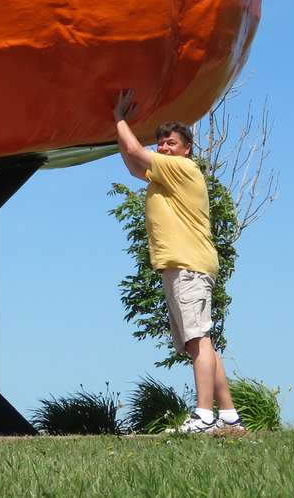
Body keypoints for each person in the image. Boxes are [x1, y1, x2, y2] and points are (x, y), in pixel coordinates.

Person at [113, 90, 246, 435]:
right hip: (181, 266)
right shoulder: (164, 174)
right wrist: (118, 129)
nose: (164, 148)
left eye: (171, 143)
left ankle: (203, 416)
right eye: (161, 144)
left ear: (186, 148)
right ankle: (229, 418)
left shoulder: (183, 169)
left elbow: (133, 151)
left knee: (198, 339)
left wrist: (117, 118)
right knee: (198, 342)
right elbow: (133, 162)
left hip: (189, 266)